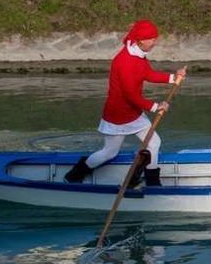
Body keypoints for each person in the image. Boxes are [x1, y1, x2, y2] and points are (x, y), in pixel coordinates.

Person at [65, 19, 188, 186]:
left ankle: (152, 182)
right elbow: (130, 94)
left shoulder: (138, 55)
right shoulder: (124, 62)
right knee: (109, 152)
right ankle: (74, 176)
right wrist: (155, 106)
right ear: (141, 40)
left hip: (134, 112)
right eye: (151, 39)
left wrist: (174, 78)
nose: (154, 42)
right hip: (117, 114)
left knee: (154, 142)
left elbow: (149, 74)